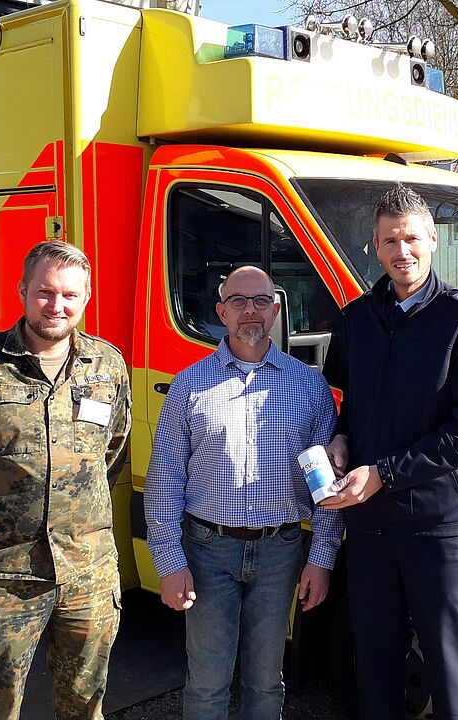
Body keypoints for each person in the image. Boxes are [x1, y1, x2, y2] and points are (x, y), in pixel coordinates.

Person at [0, 240, 131, 720]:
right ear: (22, 290)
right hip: (2, 575)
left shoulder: (108, 365)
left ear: (86, 299)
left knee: (85, 706)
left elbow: (111, 452)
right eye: (44, 292)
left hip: (88, 573)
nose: (56, 305)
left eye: (69, 295)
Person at [322, 183, 458, 720]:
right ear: (375, 248)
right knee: (374, 663)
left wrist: (385, 473)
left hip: (440, 527)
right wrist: (340, 438)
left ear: (433, 241)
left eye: (411, 239)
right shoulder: (357, 319)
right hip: (372, 523)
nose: (402, 251)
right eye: (389, 240)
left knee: (450, 667)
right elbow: (351, 404)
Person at [144, 265, 343, 720]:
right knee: (208, 683)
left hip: (281, 552)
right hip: (207, 551)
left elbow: (326, 485)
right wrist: (170, 564)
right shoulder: (190, 384)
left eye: (260, 301)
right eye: (238, 301)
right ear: (221, 311)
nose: (249, 311)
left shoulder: (308, 385)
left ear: (275, 310)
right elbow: (165, 478)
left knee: (266, 682)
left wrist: (322, 559)